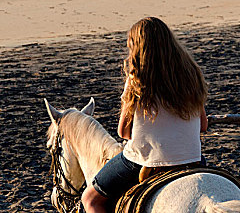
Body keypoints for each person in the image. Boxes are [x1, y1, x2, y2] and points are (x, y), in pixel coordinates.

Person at [82, 17, 208, 213]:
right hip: (192, 158)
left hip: (146, 159)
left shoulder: (137, 79)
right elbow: (203, 126)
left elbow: (124, 132)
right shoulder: (192, 73)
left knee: (90, 200)